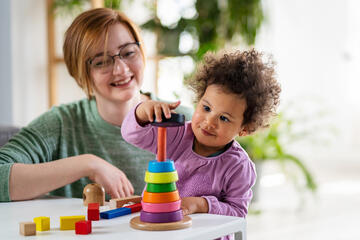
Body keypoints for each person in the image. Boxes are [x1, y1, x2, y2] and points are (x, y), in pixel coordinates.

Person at [0, 8, 192, 202]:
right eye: (101, 62)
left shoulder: (187, 122)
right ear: (81, 73)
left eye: (128, 52)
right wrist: (88, 164)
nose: (121, 69)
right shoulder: (62, 124)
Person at [121, 49, 281, 219]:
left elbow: (238, 213)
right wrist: (142, 112)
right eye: (206, 108)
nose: (209, 122)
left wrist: (202, 204)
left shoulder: (238, 166)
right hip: (162, 227)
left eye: (224, 118)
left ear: (244, 128)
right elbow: (131, 134)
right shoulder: (177, 134)